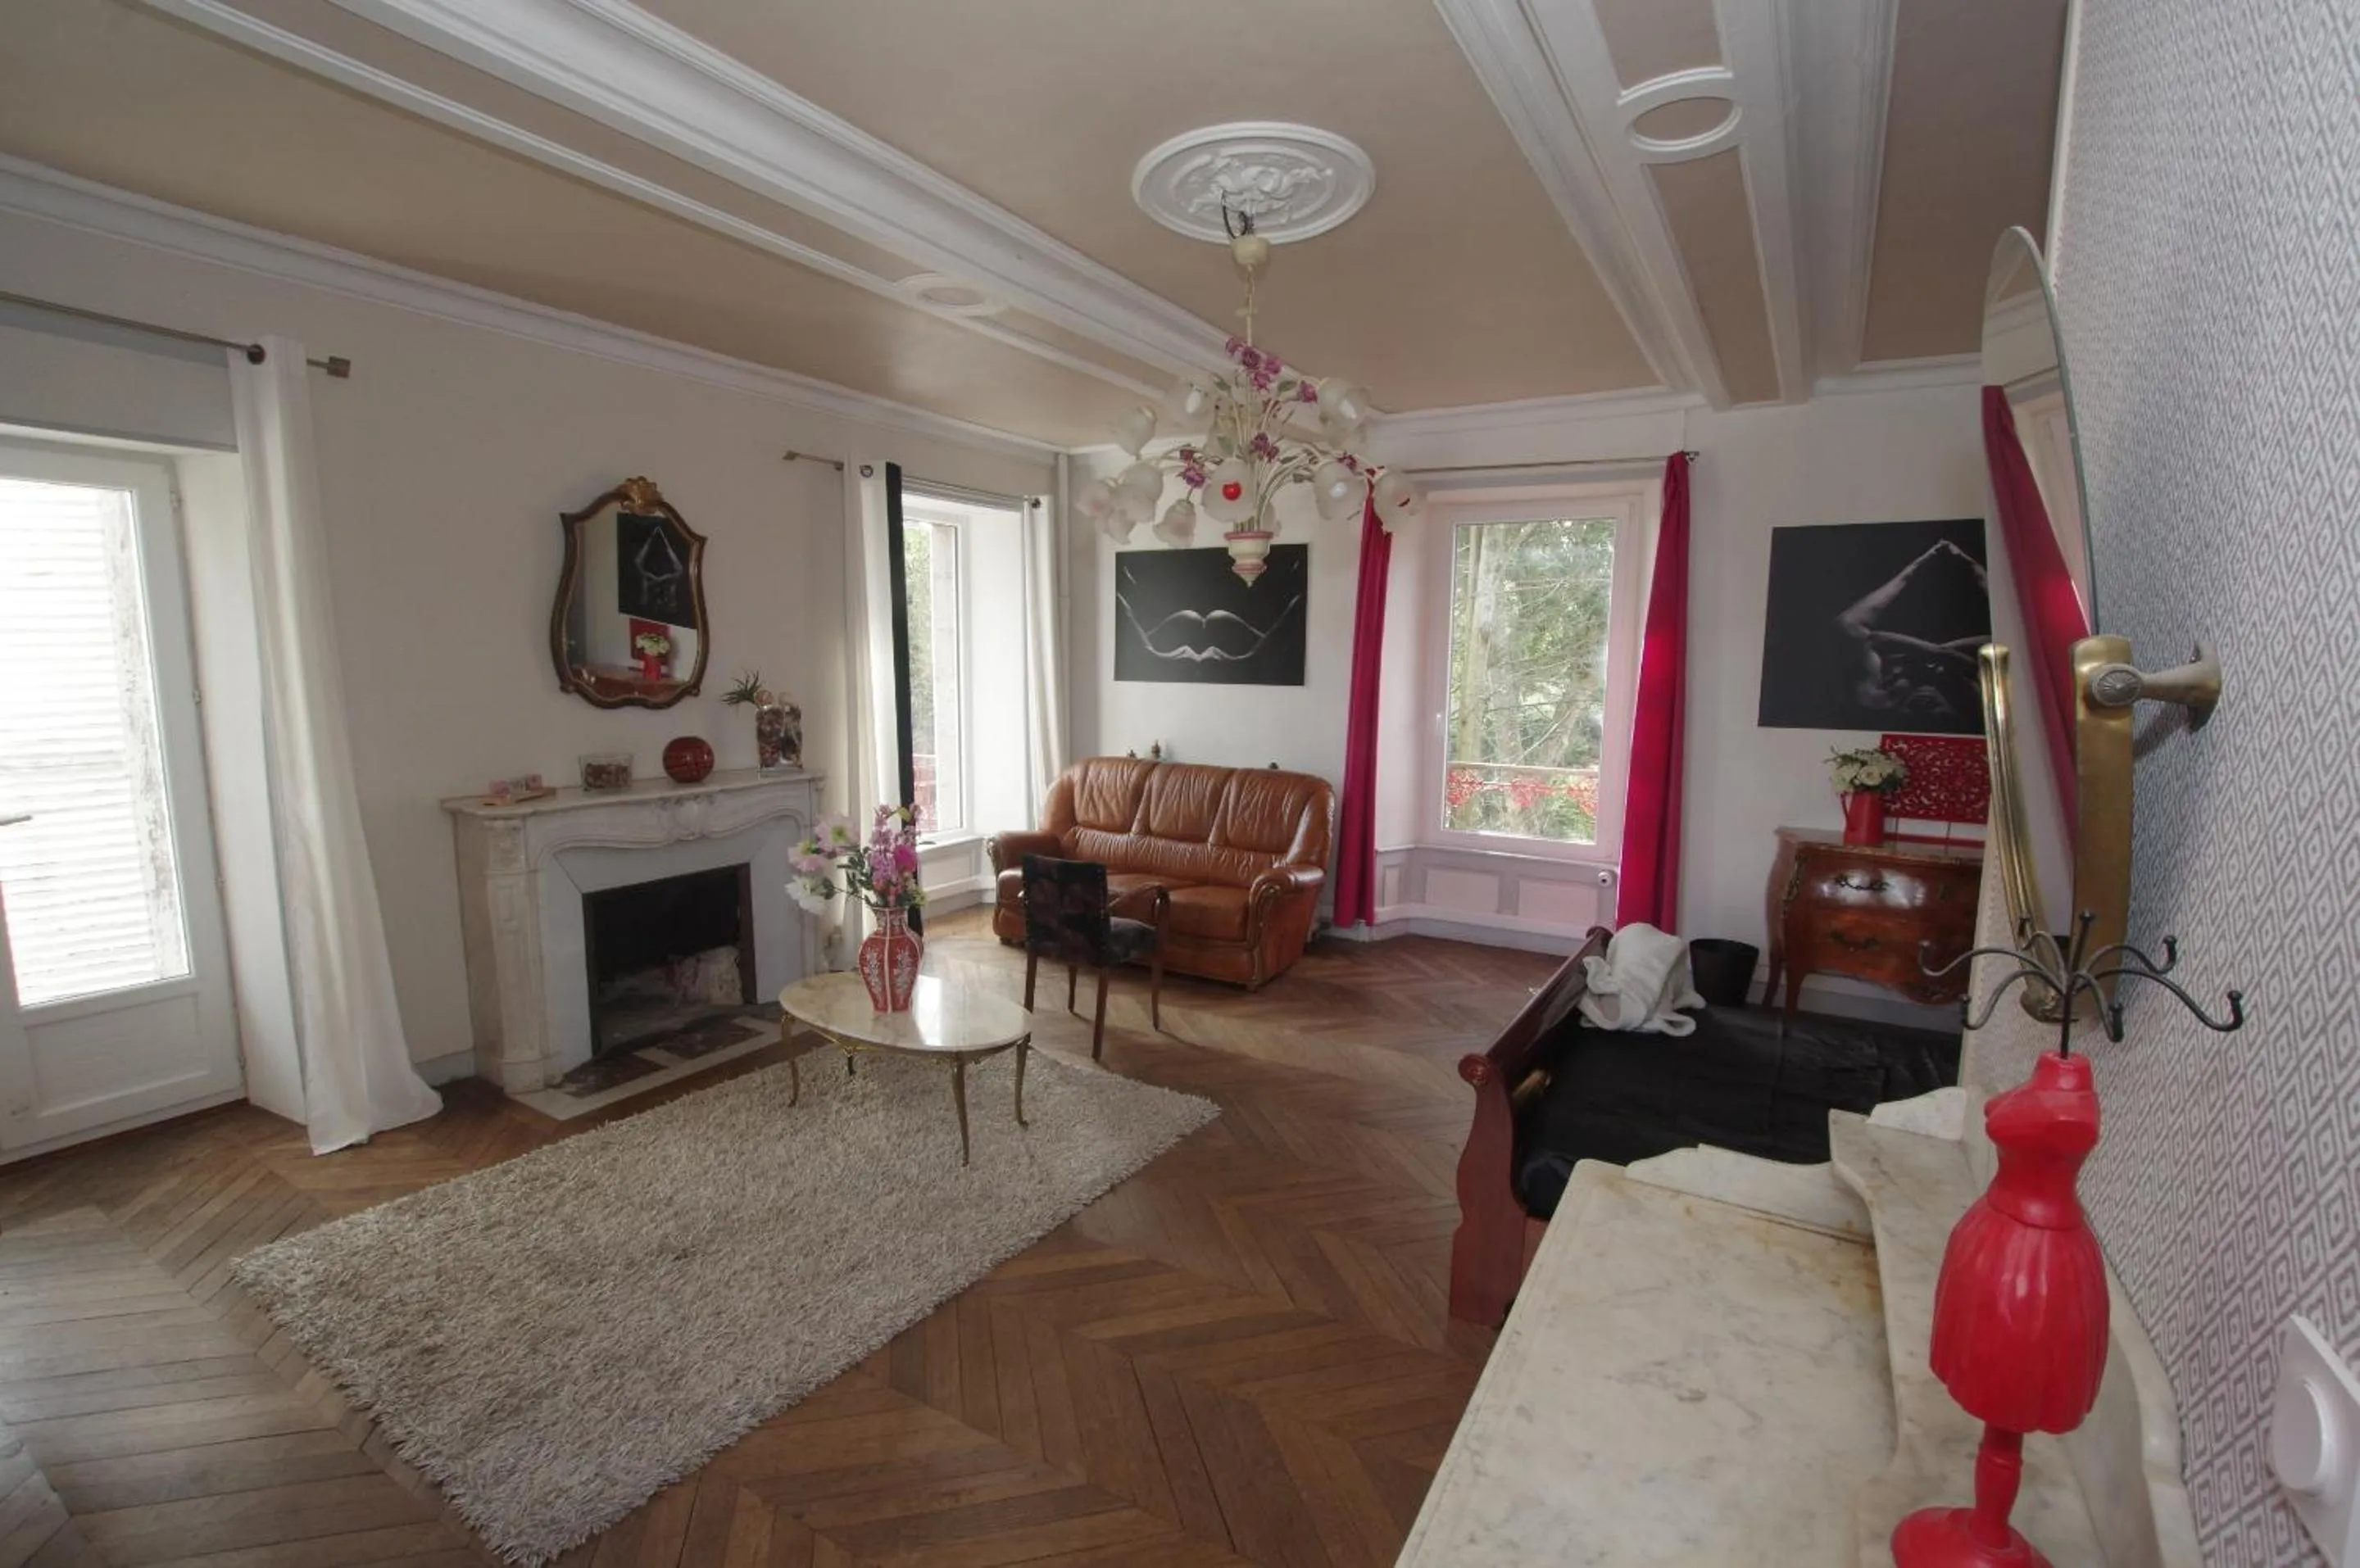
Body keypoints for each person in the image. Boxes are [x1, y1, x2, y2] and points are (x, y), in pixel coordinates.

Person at [1836, 539, 1990, 723]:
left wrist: (1917, 566)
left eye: (1918, 712)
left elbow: (1853, 627)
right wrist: (1943, 653)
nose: (1927, 708)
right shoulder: (1973, 703)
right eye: (1938, 714)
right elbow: (2002, 641)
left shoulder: (1879, 700)